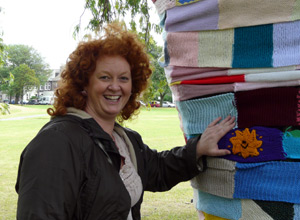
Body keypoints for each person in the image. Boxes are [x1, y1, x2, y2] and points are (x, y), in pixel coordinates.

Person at [15, 22, 235, 220]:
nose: (115, 86)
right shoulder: (56, 143)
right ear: (84, 84)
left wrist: (197, 149)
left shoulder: (124, 140)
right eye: (104, 77)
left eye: (123, 78)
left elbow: (157, 169)